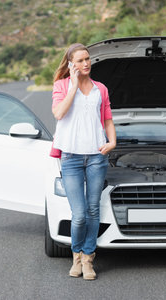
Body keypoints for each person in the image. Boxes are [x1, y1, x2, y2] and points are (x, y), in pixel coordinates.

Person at [51, 43, 116, 280]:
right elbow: (59, 113)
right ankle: (75, 255)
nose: (86, 63)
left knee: (92, 209)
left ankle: (88, 259)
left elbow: (108, 118)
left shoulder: (101, 89)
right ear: (70, 64)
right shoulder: (61, 86)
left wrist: (112, 142)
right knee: (78, 214)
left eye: (87, 59)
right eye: (79, 60)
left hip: (97, 156)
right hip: (71, 158)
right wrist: (74, 86)